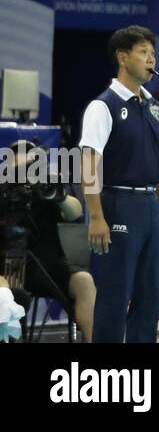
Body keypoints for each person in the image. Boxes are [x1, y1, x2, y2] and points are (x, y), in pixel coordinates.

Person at [78, 26, 159, 342]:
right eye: (143, 52)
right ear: (122, 58)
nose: (151, 58)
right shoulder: (103, 106)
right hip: (117, 205)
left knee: (150, 295)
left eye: (153, 52)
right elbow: (88, 165)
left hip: (150, 208)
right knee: (115, 293)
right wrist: (97, 216)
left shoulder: (155, 106)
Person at [2, 141, 96, 341]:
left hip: (47, 265)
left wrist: (58, 194)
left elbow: (75, 213)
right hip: (7, 265)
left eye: (29, 168)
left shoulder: (47, 186)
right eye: (18, 170)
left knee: (84, 282)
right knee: (11, 296)